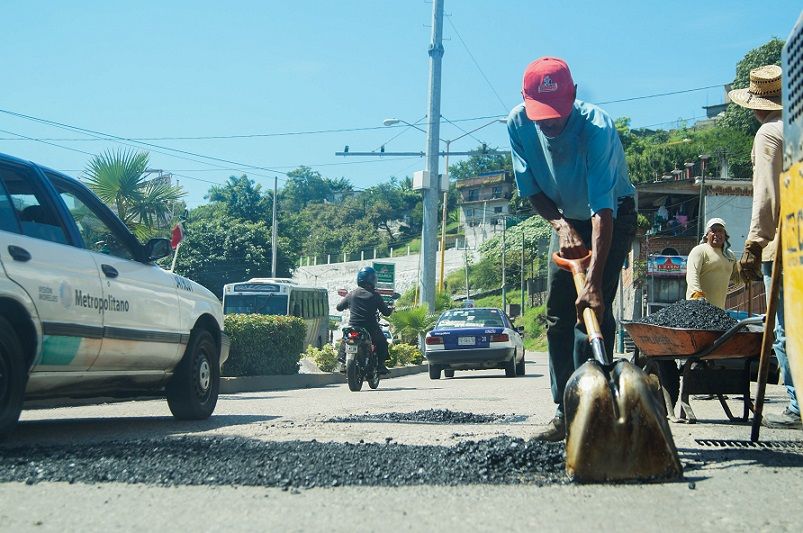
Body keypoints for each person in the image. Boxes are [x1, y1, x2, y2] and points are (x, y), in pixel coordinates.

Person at [507, 57, 637, 441]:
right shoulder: (518, 124)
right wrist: (562, 226)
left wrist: (594, 282)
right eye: (540, 114)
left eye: (557, 114)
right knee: (557, 316)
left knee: (591, 310)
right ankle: (567, 412)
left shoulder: (596, 128)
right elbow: (531, 190)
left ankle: (596, 411)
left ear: (574, 96)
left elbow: (602, 211)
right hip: (564, 217)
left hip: (612, 214)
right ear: (525, 100)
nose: (549, 123)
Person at [732, 65, 800, 429]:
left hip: (787, 246)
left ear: (757, 105)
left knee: (788, 330)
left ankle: (798, 405)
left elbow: (767, 195)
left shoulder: (768, 134)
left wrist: (755, 243)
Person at [336, 266, 393, 375]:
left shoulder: (351, 294)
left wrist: (347, 305)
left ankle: (342, 362)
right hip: (370, 327)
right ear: (372, 279)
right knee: (382, 342)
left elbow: (339, 307)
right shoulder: (375, 295)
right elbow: (385, 312)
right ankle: (381, 365)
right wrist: (390, 309)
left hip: (353, 326)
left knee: (345, 339)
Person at [685, 217, 741, 309]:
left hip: (719, 310)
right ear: (707, 235)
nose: (717, 234)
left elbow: (738, 279)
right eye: (713, 231)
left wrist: (748, 268)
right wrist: (697, 294)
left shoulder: (730, 255)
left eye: (720, 231)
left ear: (725, 235)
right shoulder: (700, 251)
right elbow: (692, 274)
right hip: (698, 307)